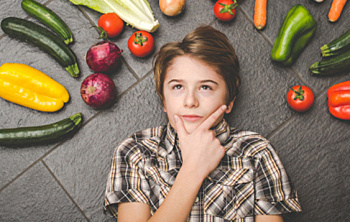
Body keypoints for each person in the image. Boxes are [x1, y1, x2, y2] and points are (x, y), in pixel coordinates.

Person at [104, 25, 302, 221]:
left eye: (206, 87)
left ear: (229, 101)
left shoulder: (256, 152)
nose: (190, 101)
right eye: (178, 86)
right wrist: (193, 169)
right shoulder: (136, 151)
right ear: (164, 101)